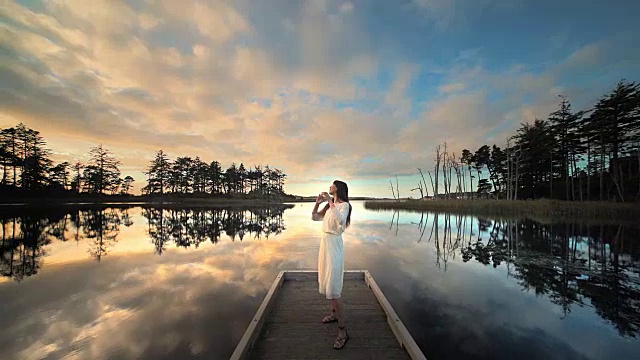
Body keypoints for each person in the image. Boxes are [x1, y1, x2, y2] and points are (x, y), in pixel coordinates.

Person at [311, 180, 352, 350]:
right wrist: (317, 203)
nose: (330, 187)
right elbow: (315, 218)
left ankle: (343, 331)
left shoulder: (344, 205)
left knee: (334, 286)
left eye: (332, 185)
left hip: (334, 244)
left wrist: (329, 201)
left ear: (338, 188)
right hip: (325, 243)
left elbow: (341, 219)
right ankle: (334, 314)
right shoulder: (330, 206)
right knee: (327, 278)